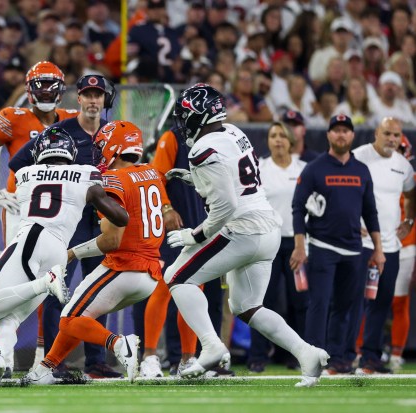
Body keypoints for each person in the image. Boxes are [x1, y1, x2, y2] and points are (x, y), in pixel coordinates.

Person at [163, 84, 329, 388]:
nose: (183, 120)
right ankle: (306, 353)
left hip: (243, 228)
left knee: (175, 277)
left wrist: (195, 236)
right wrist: (194, 178)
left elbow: (225, 205)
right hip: (269, 228)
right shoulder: (233, 132)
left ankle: (211, 345)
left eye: (187, 114)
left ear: (200, 114)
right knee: (246, 306)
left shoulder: (202, 148)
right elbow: (236, 179)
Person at [0, 125, 129, 387]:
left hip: (31, 237)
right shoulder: (86, 174)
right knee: (10, 315)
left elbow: (23, 170)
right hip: (58, 251)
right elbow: (120, 217)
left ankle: (44, 283)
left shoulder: (26, 173)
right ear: (70, 151)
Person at [22, 120, 168, 385]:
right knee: (80, 316)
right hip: (150, 273)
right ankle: (46, 368)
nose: (99, 152)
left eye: (102, 146)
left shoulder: (113, 178)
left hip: (124, 266)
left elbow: (112, 239)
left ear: (114, 146)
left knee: (69, 318)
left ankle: (118, 344)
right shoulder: (152, 172)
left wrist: (72, 253)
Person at [9, 74, 122, 379]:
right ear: (78, 99)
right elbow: (20, 163)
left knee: (101, 289)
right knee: (57, 290)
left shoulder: (115, 131)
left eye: (98, 95)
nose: (93, 100)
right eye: (87, 94)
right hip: (68, 223)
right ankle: (53, 361)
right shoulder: (60, 130)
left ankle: (96, 360)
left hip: (102, 221)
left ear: (105, 100)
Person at [291, 114, 385, 375]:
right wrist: (300, 246)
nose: (341, 135)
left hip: (354, 248)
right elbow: (297, 208)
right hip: (322, 246)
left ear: (353, 136)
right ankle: (313, 357)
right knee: (319, 303)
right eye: (336, 130)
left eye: (345, 130)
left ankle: (341, 358)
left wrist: (378, 249)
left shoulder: (361, 170)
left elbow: (371, 212)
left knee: (348, 305)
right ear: (328, 135)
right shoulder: (314, 168)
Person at [138, 125, 226, 378]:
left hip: (201, 227)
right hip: (174, 227)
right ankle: (150, 356)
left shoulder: (217, 140)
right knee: (164, 289)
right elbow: (156, 177)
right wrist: (166, 207)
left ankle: (188, 358)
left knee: (194, 292)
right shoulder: (173, 137)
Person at [0, 61, 77, 246]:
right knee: (16, 265)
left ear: (61, 90)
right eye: (40, 86)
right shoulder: (15, 118)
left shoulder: (73, 119)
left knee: (55, 267)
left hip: (61, 203)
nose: (47, 92)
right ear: (29, 90)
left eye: (52, 86)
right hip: (21, 204)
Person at [348, 117, 415, 374]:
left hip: (390, 246)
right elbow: (340, 189)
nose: (392, 139)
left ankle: (370, 359)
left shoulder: (402, 165)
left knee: (382, 302)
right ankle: (344, 355)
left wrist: (409, 220)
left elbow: (410, 195)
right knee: (353, 300)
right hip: (360, 243)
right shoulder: (358, 157)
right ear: (377, 133)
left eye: (396, 135)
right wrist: (351, 221)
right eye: (387, 133)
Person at [248, 122, 308, 373]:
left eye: (283, 135)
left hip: (297, 243)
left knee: (299, 301)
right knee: (262, 300)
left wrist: (302, 243)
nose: (278, 140)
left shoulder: (304, 168)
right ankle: (258, 355)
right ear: (268, 140)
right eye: (273, 135)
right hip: (267, 243)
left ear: (291, 141)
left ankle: (297, 354)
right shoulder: (259, 168)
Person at [390, 135, 416, 370]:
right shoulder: (374, 174)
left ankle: (396, 352)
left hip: (406, 246)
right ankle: (358, 350)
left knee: (399, 302)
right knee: (367, 301)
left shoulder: (412, 180)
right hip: (377, 245)